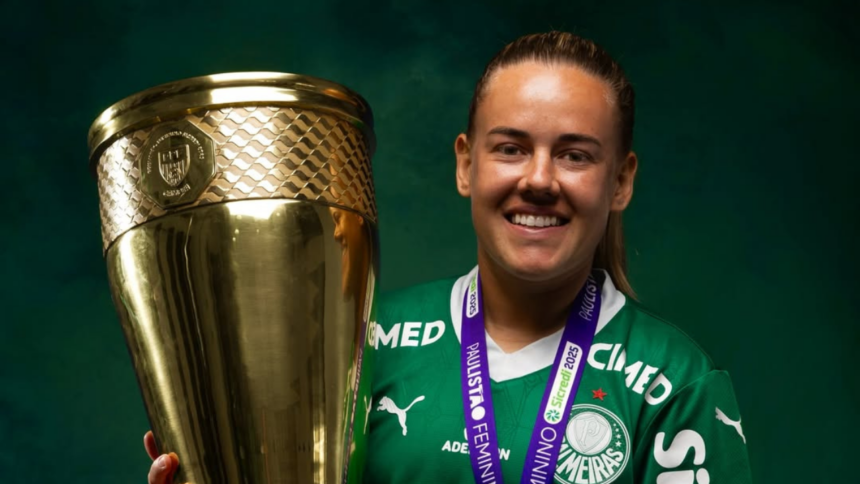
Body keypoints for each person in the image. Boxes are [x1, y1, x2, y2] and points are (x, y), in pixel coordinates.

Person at [145, 31, 753, 483]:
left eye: (575, 155)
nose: (539, 179)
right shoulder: (363, 345)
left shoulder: (676, 383)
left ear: (620, 181)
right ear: (466, 164)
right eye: (511, 148)